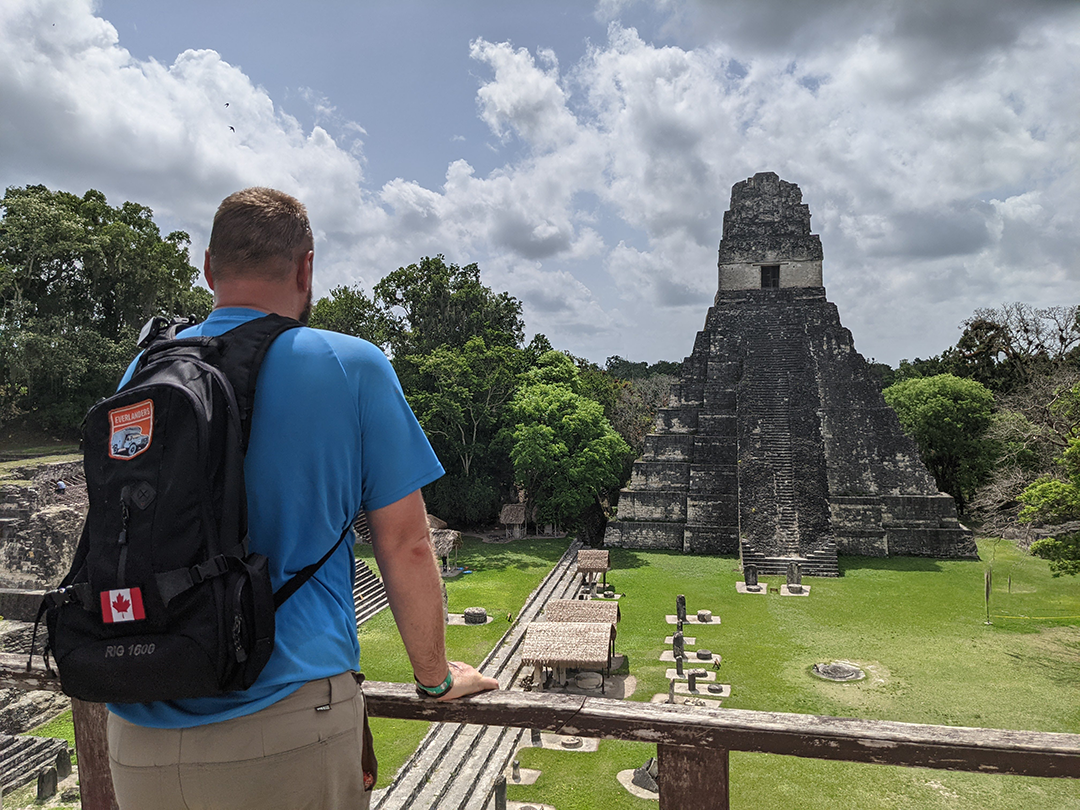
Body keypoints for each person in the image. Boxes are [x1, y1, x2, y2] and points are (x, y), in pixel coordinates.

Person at [105, 187, 498, 810]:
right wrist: (435, 678)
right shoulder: (351, 364)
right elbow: (406, 543)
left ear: (209, 267)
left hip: (138, 723)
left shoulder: (146, 371)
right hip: (285, 714)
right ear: (306, 267)